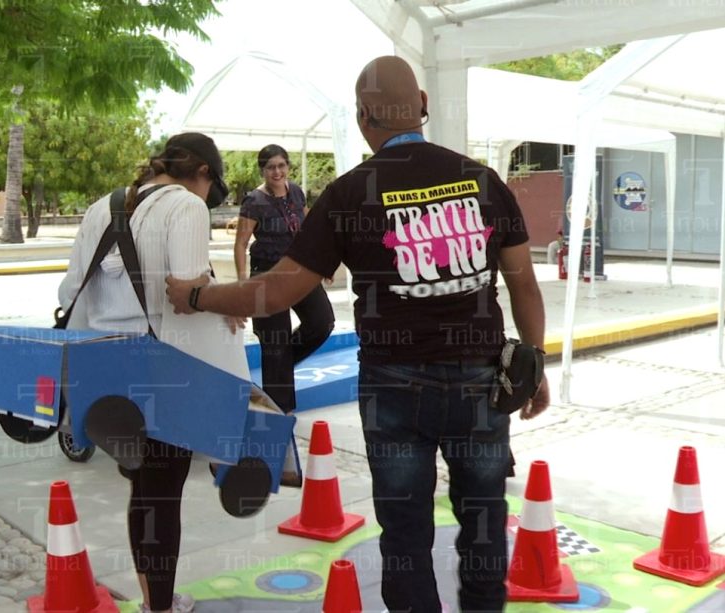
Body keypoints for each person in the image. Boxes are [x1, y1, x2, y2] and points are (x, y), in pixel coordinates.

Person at [166, 56, 550, 612]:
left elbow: (275, 292)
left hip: (395, 390)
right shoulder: (483, 180)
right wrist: (534, 363)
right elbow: (525, 288)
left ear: (364, 118)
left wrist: (197, 295)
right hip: (480, 383)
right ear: (422, 104)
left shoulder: (349, 194)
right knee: (486, 520)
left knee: (404, 534)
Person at [58, 132, 232, 613]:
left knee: (143, 489)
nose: (208, 200)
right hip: (165, 369)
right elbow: (188, 291)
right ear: (201, 174)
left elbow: (70, 290)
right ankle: (160, 606)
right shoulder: (186, 207)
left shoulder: (102, 207)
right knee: (163, 495)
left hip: (104, 371)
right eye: (210, 190)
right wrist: (229, 299)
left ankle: (156, 597)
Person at [234, 144, 334, 416]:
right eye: (270, 167)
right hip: (266, 276)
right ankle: (281, 415)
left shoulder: (297, 192)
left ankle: (281, 365)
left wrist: (322, 260)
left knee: (322, 322)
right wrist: (243, 285)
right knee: (274, 342)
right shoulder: (254, 201)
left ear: (288, 166)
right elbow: (241, 243)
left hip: (298, 271)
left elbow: (308, 230)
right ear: (263, 171)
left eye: (281, 165)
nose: (276, 172)